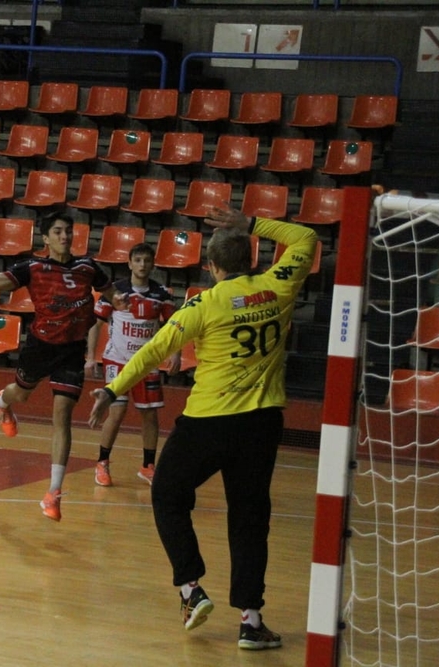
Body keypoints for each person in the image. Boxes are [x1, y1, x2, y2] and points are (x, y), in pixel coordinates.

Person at [87, 207, 318, 650]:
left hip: (208, 422)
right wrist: (251, 223)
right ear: (251, 260)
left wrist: (113, 387)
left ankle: (191, 589)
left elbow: (154, 349)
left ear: (212, 267)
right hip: (262, 424)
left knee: (167, 494)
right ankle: (251, 620)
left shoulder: (204, 304)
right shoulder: (279, 284)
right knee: (249, 519)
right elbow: (306, 237)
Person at [0, 212, 117, 522]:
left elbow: (112, 294)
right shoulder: (32, 268)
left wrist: (121, 301)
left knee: (63, 415)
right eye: (58, 231)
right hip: (40, 348)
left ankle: (53, 492)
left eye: (68, 231)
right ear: (45, 238)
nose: (65, 236)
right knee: (21, 394)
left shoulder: (87, 267)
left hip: (73, 350)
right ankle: (2, 402)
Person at [86, 242, 178, 488]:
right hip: (117, 360)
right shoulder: (115, 292)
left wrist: (176, 354)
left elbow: (174, 327)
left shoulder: (162, 294)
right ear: (129, 264)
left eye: (147, 260)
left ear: (153, 264)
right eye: (137, 260)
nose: (142, 265)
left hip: (147, 363)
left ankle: (148, 466)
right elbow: (95, 324)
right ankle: (102, 462)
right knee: (117, 411)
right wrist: (90, 357)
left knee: (150, 414)